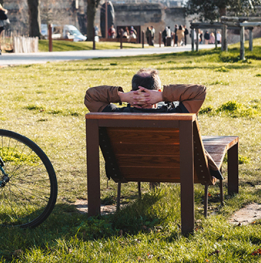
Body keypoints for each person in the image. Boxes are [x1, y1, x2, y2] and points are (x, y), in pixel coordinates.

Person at [84, 67, 221, 179]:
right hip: (177, 171)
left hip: (129, 170)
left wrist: (123, 96)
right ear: (158, 91)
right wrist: (162, 96)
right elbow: (199, 92)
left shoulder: (114, 116)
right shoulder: (176, 115)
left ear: (132, 92)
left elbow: (91, 96)